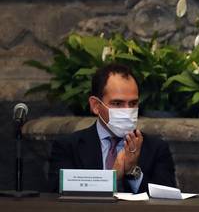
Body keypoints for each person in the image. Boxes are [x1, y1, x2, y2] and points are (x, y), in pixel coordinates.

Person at [48, 63, 176, 193]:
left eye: (133, 103)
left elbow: (168, 198)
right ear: (96, 106)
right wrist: (111, 177)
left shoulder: (156, 148)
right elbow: (56, 196)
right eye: (117, 103)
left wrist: (132, 171)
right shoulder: (68, 147)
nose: (127, 111)